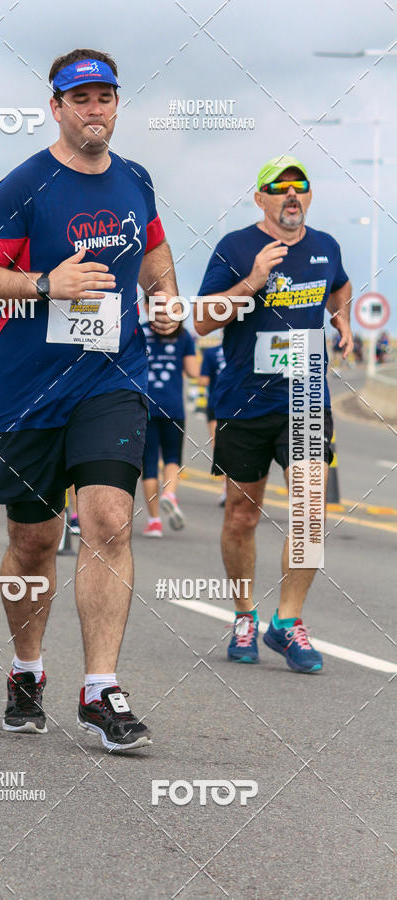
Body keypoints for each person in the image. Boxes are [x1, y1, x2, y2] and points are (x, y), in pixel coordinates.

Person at [0, 48, 179, 750]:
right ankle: (27, 669)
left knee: (109, 518)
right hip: (29, 390)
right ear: (56, 107)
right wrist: (46, 284)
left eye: (106, 97)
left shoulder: (136, 179)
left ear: (117, 105)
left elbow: (153, 253)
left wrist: (164, 297)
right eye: (81, 99)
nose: (95, 109)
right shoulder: (24, 186)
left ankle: (101, 689)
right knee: (34, 541)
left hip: (112, 377)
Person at [196, 155, 353, 673]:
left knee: (309, 514)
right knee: (242, 514)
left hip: (307, 394)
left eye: (299, 186)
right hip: (245, 399)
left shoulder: (326, 246)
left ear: (308, 197)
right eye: (278, 187)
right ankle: (245, 615)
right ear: (259, 197)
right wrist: (252, 282)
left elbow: (340, 284)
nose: (291, 194)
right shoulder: (237, 247)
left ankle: (287, 623)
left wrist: (342, 319)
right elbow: (200, 322)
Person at [141, 295, 199, 537]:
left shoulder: (140, 333)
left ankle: (154, 521)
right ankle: (170, 494)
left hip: (145, 406)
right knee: (173, 457)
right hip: (173, 406)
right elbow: (194, 372)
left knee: (149, 464)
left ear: (146, 307)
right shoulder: (183, 336)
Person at [198, 341, 226, 505]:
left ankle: (225, 489)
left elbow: (203, 381)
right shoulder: (243, 349)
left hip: (216, 405)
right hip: (238, 405)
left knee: (219, 447)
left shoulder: (210, 352)